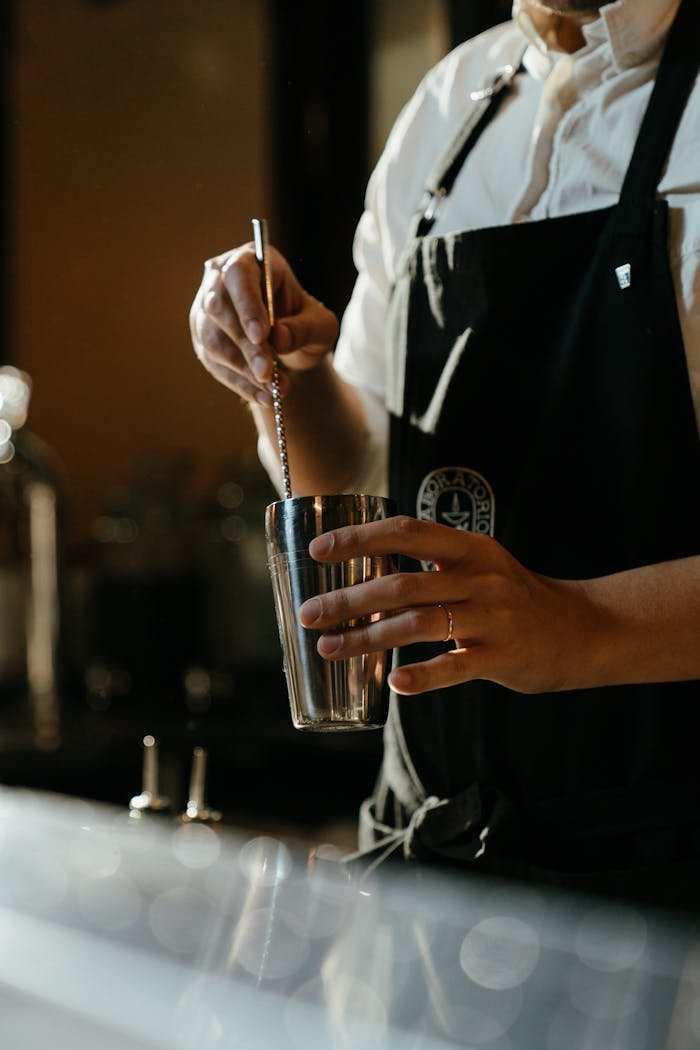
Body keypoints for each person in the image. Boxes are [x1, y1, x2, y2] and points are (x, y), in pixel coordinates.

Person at [190, 0, 700, 905]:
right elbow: (361, 479)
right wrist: (284, 374)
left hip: (668, 864)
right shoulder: (453, 100)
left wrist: (578, 623)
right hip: (437, 849)